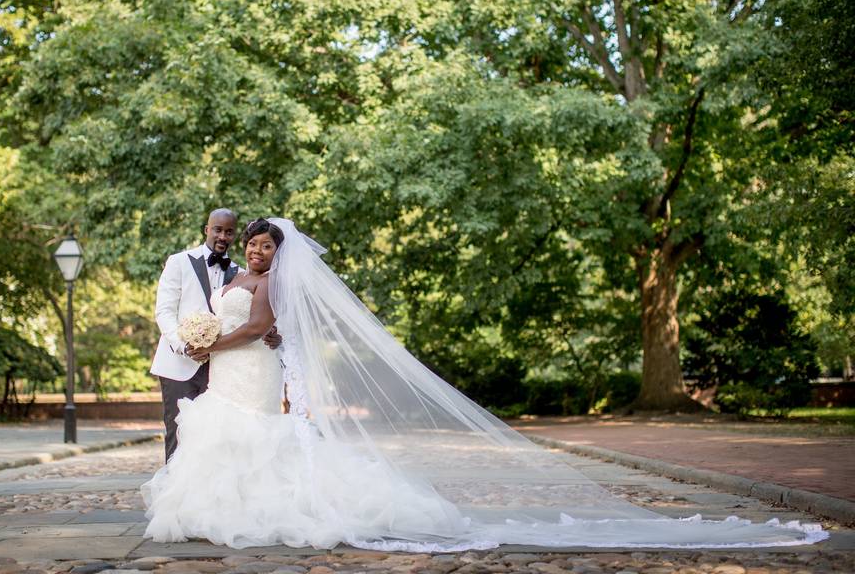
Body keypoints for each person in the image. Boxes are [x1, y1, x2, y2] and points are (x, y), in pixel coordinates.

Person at [142, 218, 827, 551]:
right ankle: (227, 510)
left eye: (266, 245)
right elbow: (229, 316)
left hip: (245, 366)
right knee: (226, 440)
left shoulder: (262, 285)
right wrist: (200, 334)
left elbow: (261, 324)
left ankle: (259, 513)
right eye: (251, 243)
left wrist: (212, 337)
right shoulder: (226, 273)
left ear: (278, 253)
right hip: (226, 363)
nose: (257, 249)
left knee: (253, 437)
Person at [149, 208, 279, 461]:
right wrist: (183, 346)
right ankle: (175, 496)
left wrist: (274, 334)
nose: (222, 236)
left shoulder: (242, 272)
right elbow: (164, 311)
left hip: (224, 369)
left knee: (214, 439)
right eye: (217, 229)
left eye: (229, 232)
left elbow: (254, 318)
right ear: (206, 230)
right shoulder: (179, 261)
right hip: (180, 364)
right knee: (179, 433)